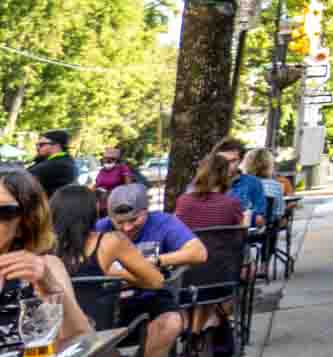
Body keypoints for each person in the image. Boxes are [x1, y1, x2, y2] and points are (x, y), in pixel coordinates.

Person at [94, 183, 205, 357]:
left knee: (171, 322)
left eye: (134, 219)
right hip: (109, 300)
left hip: (150, 295)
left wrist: (157, 260)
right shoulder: (100, 228)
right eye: (120, 222)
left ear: (146, 211)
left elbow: (199, 252)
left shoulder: (163, 222)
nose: (127, 228)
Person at [0, 171, 89, 348]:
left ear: (25, 222)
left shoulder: (44, 267)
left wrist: (50, 287)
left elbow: (82, 340)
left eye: (3, 212)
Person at [172, 155, 247, 356]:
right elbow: (240, 234)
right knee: (214, 271)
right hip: (221, 275)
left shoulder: (183, 202)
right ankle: (198, 331)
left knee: (196, 276)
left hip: (187, 274)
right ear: (225, 176)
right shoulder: (232, 203)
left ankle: (192, 331)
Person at [211, 138, 267, 229]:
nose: (227, 165)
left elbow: (260, 220)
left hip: (238, 237)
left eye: (232, 161)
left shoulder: (253, 183)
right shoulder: (203, 182)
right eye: (222, 160)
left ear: (240, 161)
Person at [91, 145, 142, 213]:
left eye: (110, 159)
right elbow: (96, 185)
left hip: (117, 202)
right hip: (102, 203)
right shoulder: (102, 171)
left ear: (116, 160)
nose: (107, 160)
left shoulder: (122, 168)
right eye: (105, 159)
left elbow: (128, 185)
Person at [27, 132, 77, 197]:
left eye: (42, 145)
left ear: (57, 146)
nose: (37, 148)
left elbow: (21, 178)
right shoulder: (65, 160)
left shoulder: (58, 164)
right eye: (37, 145)